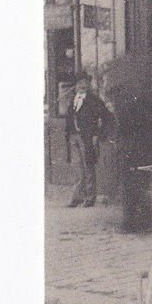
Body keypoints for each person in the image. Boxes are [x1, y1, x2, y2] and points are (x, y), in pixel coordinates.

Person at [64, 71, 113, 207]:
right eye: (79, 83)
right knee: (78, 168)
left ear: (88, 84)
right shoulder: (73, 99)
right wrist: (69, 136)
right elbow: (70, 119)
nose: (82, 85)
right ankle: (77, 197)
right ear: (75, 85)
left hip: (87, 138)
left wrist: (98, 134)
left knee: (88, 167)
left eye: (85, 82)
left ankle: (90, 198)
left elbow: (107, 118)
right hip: (74, 138)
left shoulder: (93, 100)